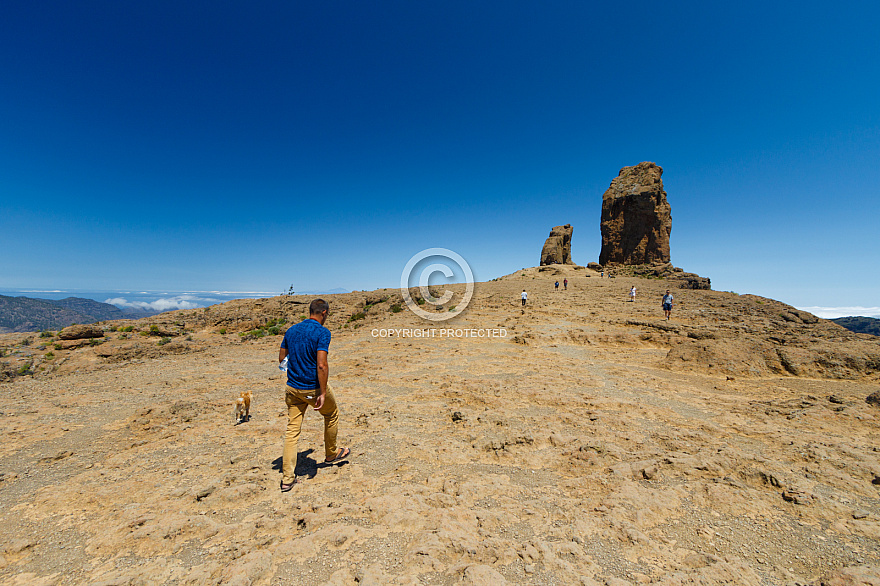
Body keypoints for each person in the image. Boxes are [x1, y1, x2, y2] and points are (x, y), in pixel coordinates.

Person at [278, 298, 350, 492]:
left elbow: (282, 358)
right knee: (331, 414)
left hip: (292, 388)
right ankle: (331, 454)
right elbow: (321, 364)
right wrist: (323, 391)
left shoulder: (291, 330)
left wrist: (295, 373)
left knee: (292, 430)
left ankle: (287, 479)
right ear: (324, 313)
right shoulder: (322, 332)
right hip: (312, 388)